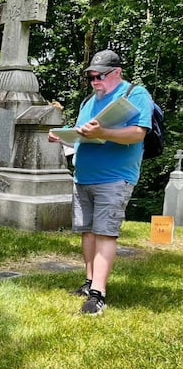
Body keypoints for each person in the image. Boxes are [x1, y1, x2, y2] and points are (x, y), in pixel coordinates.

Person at [49, 49, 153, 315]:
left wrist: (104, 132)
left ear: (117, 72)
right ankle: (89, 281)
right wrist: (64, 137)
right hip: (84, 175)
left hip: (114, 176)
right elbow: (83, 133)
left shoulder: (135, 95)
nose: (95, 81)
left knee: (105, 231)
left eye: (100, 76)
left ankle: (98, 294)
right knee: (88, 230)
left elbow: (138, 134)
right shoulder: (89, 101)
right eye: (91, 77)